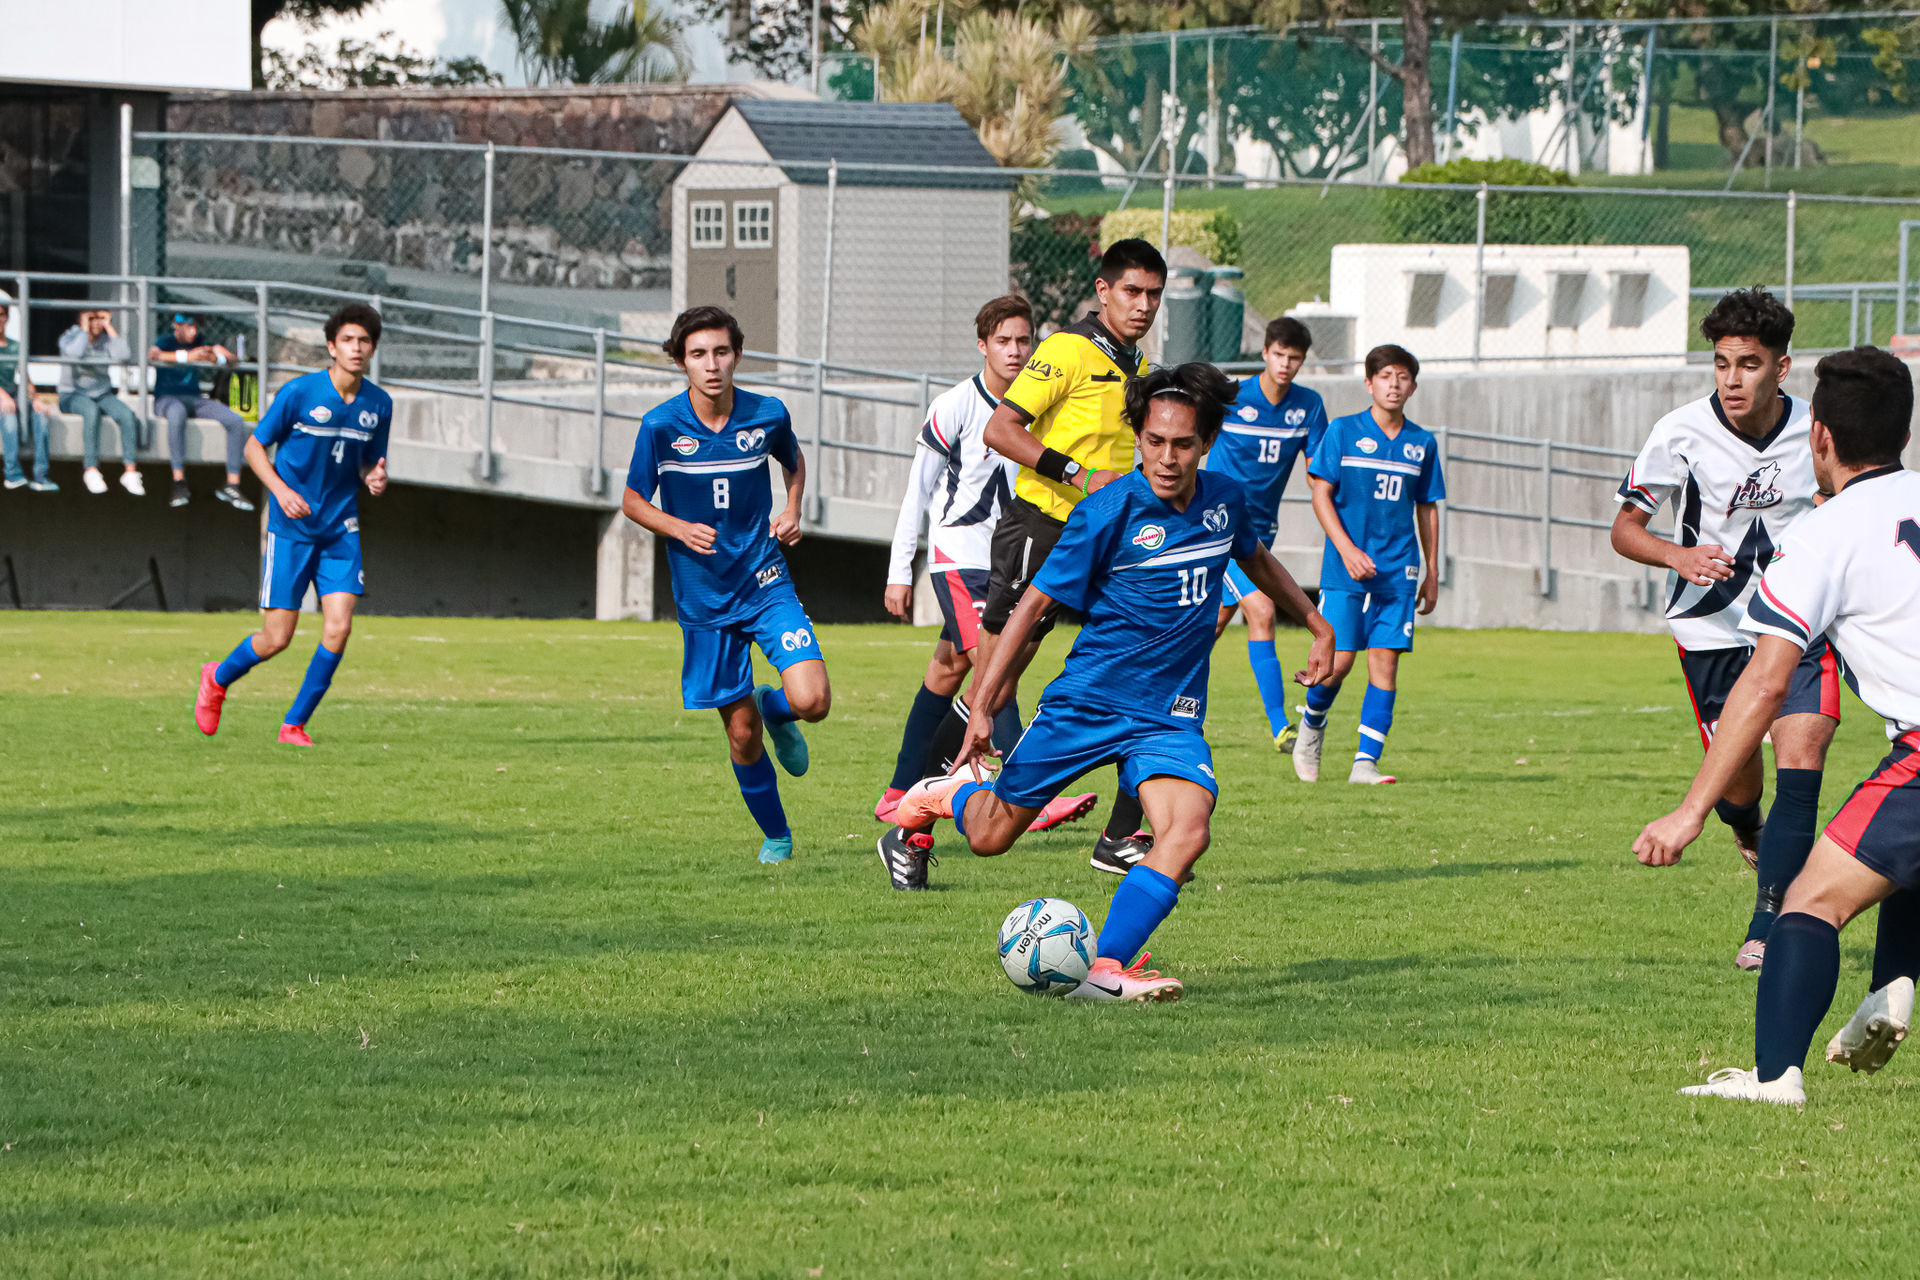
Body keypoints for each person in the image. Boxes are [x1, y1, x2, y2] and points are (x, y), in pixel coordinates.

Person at [881, 364, 1335, 997]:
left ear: (1205, 442)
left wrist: (1317, 624)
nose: (1167, 458)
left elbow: (1254, 556)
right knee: (986, 838)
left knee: (1188, 831)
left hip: (1167, 717)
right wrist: (982, 703)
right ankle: (943, 794)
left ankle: (1105, 967)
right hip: (1087, 702)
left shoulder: (1225, 500)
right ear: (1139, 438)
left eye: (1182, 444)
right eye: (1154, 442)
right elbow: (1031, 609)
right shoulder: (1107, 512)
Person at [1634, 345, 1918, 1106]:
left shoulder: (1821, 535)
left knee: (1809, 905)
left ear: (1818, 437)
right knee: (1898, 856)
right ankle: (1894, 983)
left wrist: (1691, 811)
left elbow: (1763, 683)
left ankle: (1775, 1078)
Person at [916, 236, 1166, 879]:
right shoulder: (1066, 351)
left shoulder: (1131, 363)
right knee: (991, 683)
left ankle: (1118, 836)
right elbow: (1003, 430)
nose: (1144, 305)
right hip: (1043, 526)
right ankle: (917, 811)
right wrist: (1080, 474)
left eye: (1154, 296)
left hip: (1108, 542)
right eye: (1132, 292)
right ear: (1103, 291)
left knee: (1150, 667)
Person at [1611, 288, 1837, 972]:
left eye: (1748, 364)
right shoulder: (1678, 431)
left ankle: (1770, 920)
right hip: (1711, 633)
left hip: (1797, 631)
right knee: (1740, 783)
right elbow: (1624, 529)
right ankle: (1747, 825)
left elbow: (1847, 501)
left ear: (1782, 368)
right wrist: (1677, 555)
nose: (1732, 379)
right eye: (1721, 364)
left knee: (1801, 761)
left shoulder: (1815, 432)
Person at [874, 294, 1096, 845]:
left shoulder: (1041, 411)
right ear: (983, 346)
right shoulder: (953, 406)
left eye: (1025, 341)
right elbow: (916, 491)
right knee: (994, 666)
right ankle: (1026, 793)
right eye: (1004, 341)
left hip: (1008, 560)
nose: (1016, 351)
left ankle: (901, 793)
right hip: (959, 557)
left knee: (949, 671)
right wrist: (899, 569)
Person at [619, 305, 830, 865]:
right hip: (704, 598)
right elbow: (632, 500)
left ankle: (777, 707)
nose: (711, 365)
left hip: (764, 580)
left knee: (814, 700)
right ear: (681, 361)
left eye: (720, 352)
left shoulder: (767, 413)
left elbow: (794, 461)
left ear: (736, 355)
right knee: (741, 734)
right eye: (697, 355)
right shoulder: (661, 426)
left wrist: (792, 508)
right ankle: (779, 837)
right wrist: (677, 526)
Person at [193, 303, 392, 747]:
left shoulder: (379, 404)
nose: (356, 348)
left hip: (341, 528)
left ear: (373, 348)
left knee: (339, 627)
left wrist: (375, 477)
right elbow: (254, 449)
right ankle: (218, 677)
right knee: (277, 637)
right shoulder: (300, 394)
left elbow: (367, 464)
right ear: (331, 346)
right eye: (347, 340)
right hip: (292, 528)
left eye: (364, 341)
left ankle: (294, 724)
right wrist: (282, 492)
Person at [1293, 344, 1445, 786]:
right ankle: (1313, 724)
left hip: (1399, 571)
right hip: (1346, 571)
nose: (1393, 384)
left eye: (1402, 377)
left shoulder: (1422, 443)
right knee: (1337, 664)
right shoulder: (1341, 431)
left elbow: (1427, 508)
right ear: (1368, 383)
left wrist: (1432, 571)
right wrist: (1346, 550)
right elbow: (1320, 493)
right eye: (1385, 376)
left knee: (1386, 663)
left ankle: (1365, 763)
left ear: (1413, 386)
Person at [1207, 315, 1328, 754]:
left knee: (1214, 622)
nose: (1285, 365)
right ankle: (1281, 727)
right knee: (1260, 609)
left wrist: (1334, 513)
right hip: (1215, 527)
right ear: (1264, 353)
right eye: (1279, 355)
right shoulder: (1233, 397)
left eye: (1294, 358)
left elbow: (1318, 473)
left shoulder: (1309, 406)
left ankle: (1163, 696)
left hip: (1261, 534)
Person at [150, 312, 256, 511]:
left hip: (195, 399)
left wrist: (222, 354)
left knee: (234, 420)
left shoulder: (200, 341)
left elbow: (233, 362)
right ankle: (179, 481)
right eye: (190, 326)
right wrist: (189, 356)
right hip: (167, 399)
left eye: (196, 327)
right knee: (177, 413)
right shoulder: (165, 340)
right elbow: (153, 355)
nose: (194, 331)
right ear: (177, 325)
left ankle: (232, 485)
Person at [57, 310, 144, 496]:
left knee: (127, 415)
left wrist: (109, 327)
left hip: (102, 394)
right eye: (92, 318)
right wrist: (84, 329)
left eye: (100, 318)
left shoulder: (106, 339)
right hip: (72, 395)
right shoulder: (71, 336)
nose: (96, 322)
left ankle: (130, 470)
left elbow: (123, 355)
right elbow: (74, 354)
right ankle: (91, 469)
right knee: (91, 411)